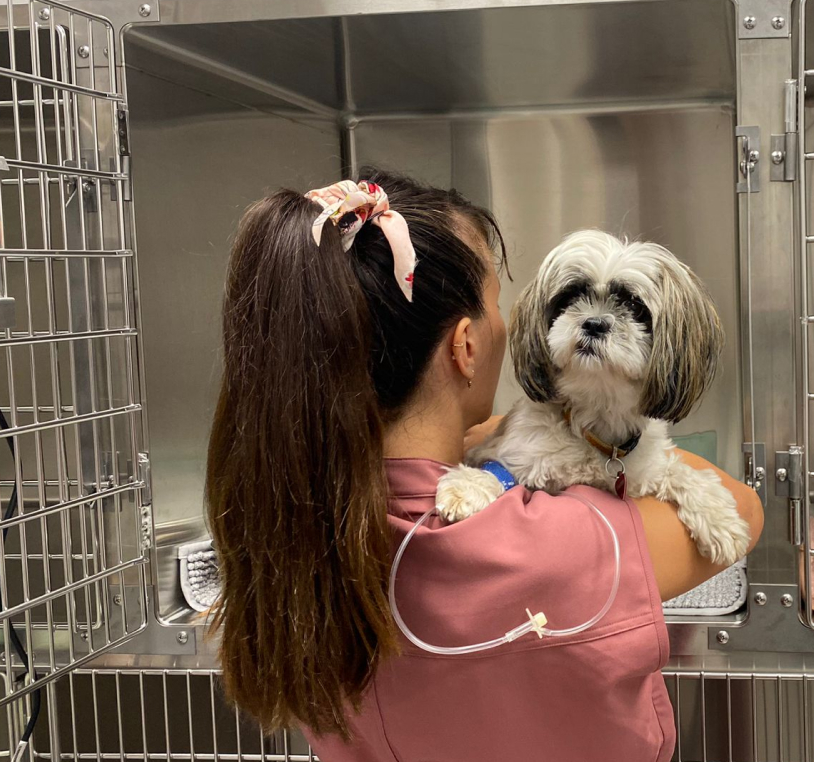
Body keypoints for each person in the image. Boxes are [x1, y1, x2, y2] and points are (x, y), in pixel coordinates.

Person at [204, 168, 763, 761]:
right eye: (500, 304)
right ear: (466, 346)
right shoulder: (569, 544)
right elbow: (744, 513)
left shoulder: (291, 520)